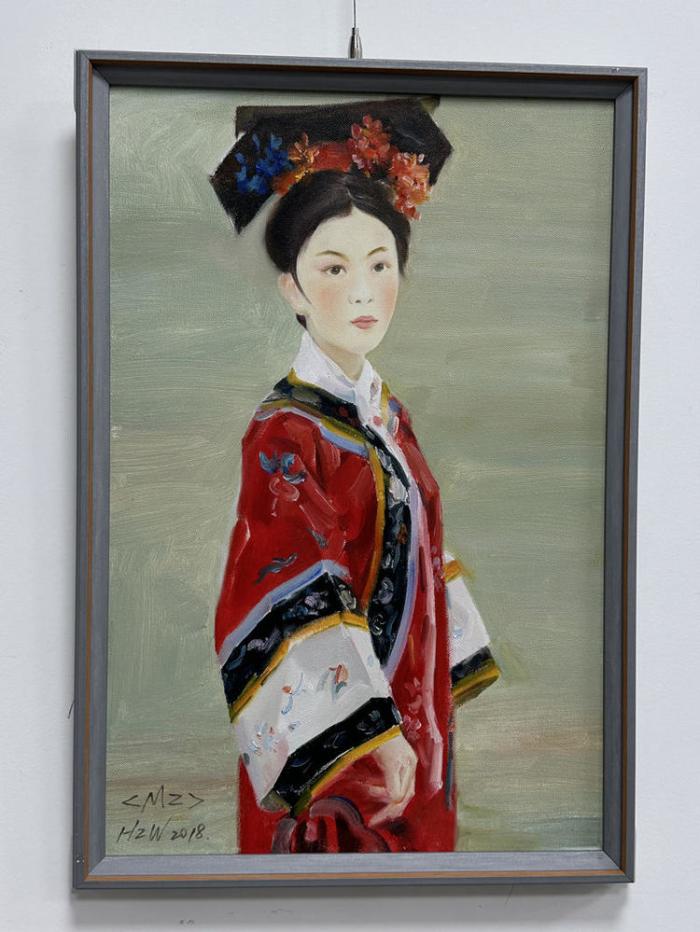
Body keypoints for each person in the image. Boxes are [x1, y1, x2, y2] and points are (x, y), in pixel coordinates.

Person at [210, 98, 500, 854]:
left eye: (380, 264)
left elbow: (422, 556)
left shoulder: (387, 415)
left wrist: (424, 712)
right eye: (334, 269)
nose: (364, 290)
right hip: (342, 759)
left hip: (414, 726)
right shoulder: (285, 433)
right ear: (293, 289)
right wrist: (375, 738)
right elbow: (293, 584)